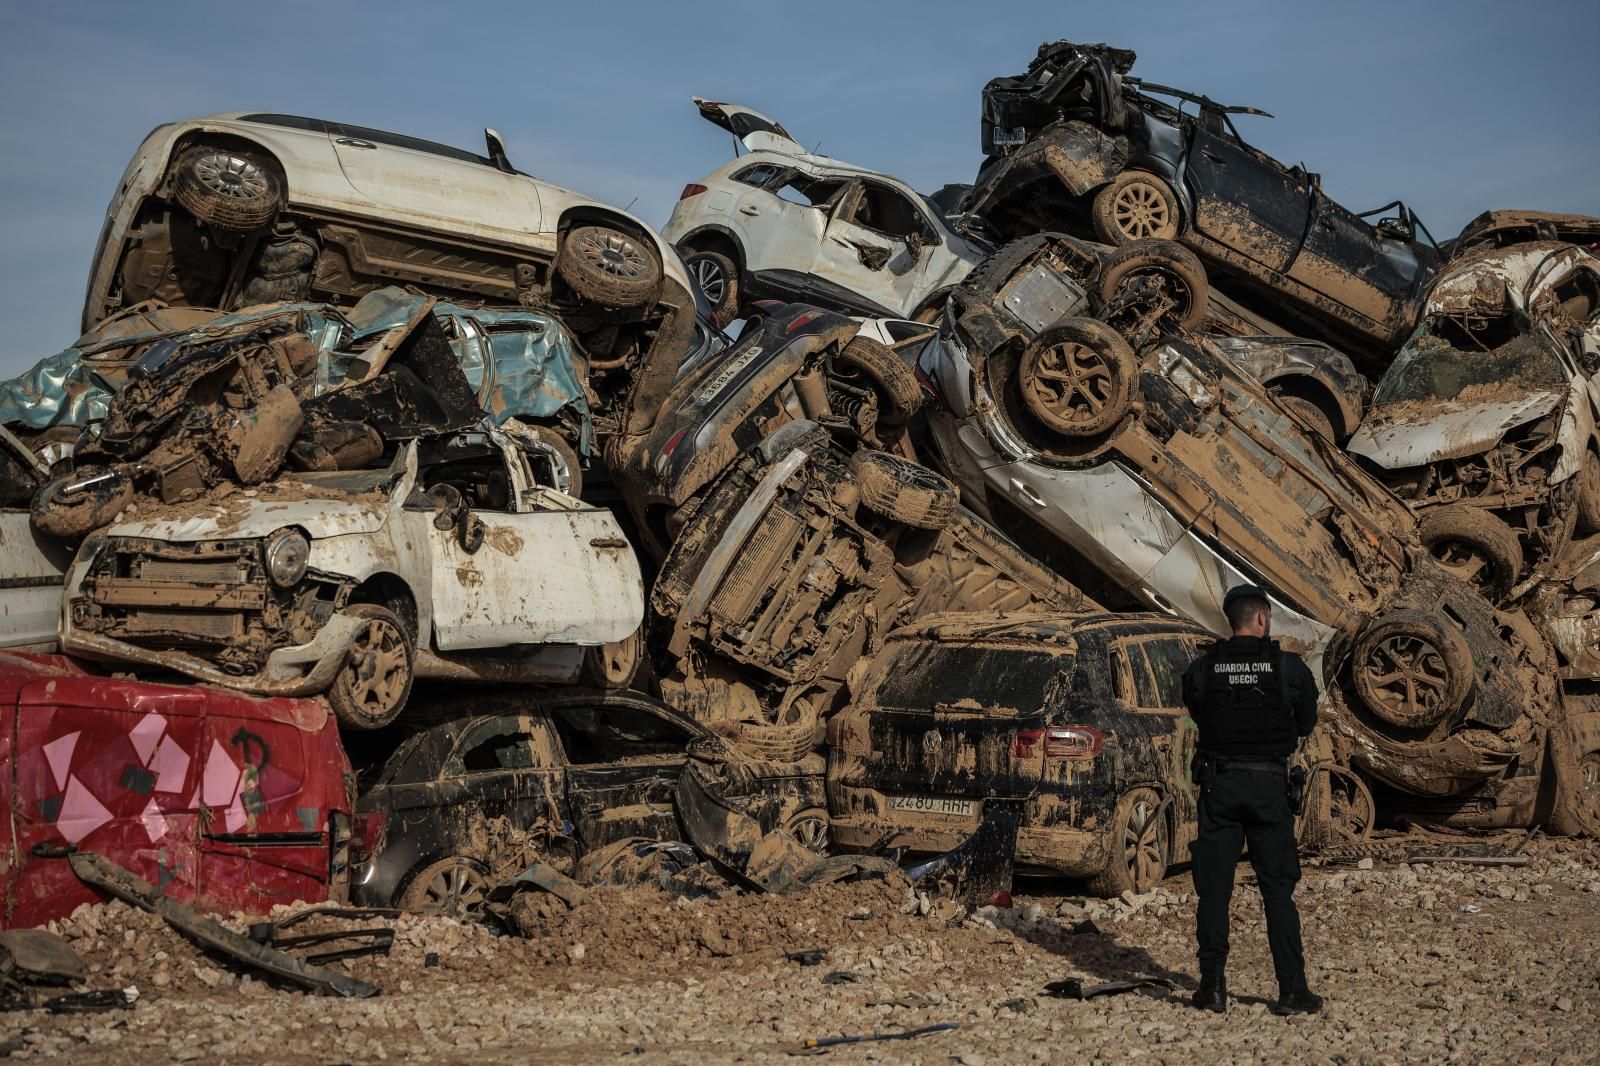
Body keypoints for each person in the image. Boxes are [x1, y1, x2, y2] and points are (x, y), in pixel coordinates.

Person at [1181, 583, 1322, 1016]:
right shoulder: (1290, 669)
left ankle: (1213, 989)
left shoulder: (1204, 668)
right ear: (1262, 617)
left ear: (1233, 620)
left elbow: (1198, 712)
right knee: (1277, 892)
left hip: (1220, 785)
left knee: (1214, 892)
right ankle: (1292, 991)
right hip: (1268, 788)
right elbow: (1306, 723)